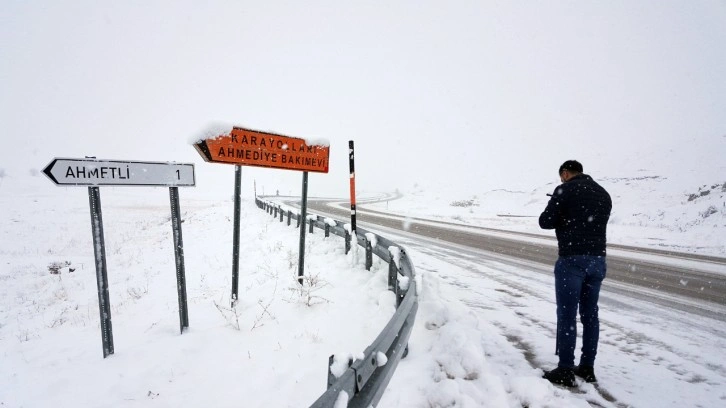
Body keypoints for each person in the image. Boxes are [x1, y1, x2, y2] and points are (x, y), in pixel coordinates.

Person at [539, 160, 612, 387]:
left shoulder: (565, 189)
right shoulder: (603, 193)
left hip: (572, 259)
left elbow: (545, 221)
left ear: (565, 173)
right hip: (598, 260)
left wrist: (562, 212)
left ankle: (565, 369)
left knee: (567, 315)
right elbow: (595, 222)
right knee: (590, 316)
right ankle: (587, 367)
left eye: (562, 176)